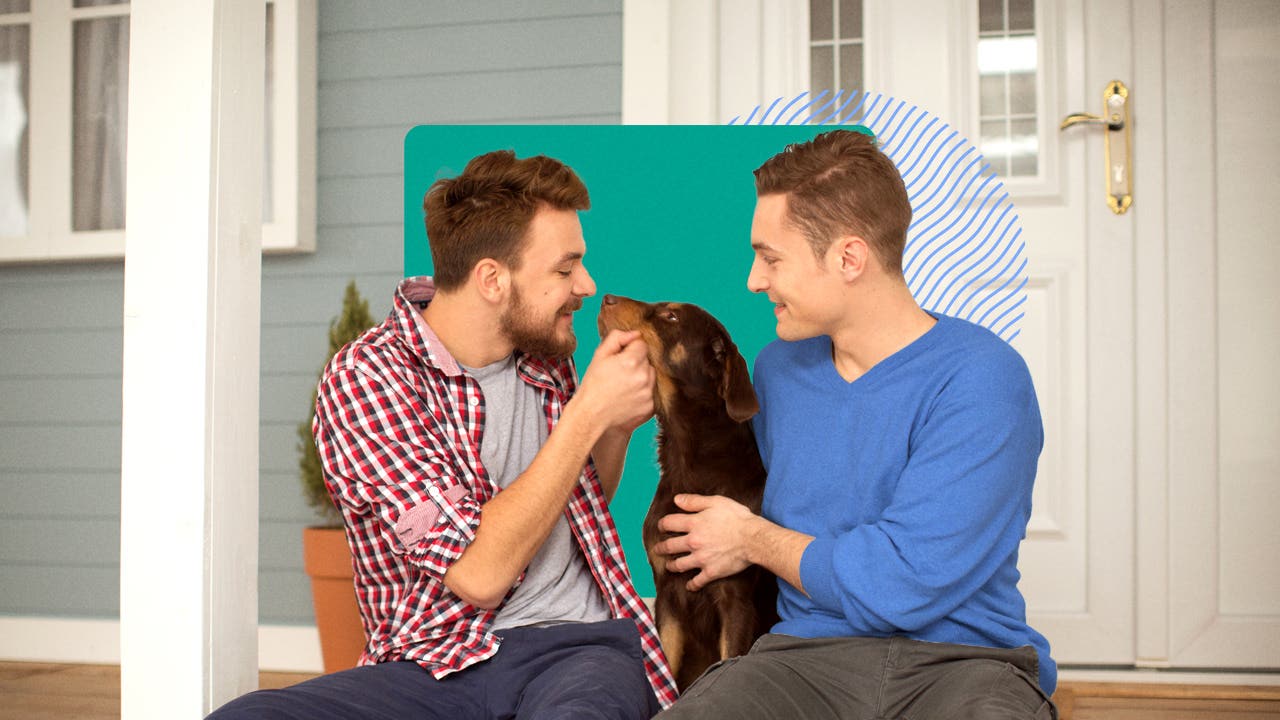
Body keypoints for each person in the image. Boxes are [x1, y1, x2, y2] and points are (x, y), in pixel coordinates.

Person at [207, 149, 678, 719]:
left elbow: (570, 506)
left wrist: (613, 427)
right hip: (431, 664)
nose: (586, 283)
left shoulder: (547, 357)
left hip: (575, 649)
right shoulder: (369, 380)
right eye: (564, 268)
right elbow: (479, 575)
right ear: (491, 279)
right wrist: (586, 417)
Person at [651, 130, 1057, 719]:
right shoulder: (778, 371)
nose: (753, 280)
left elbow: (904, 583)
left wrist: (754, 540)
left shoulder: (983, 378)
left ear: (848, 258)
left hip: (961, 665)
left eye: (770, 257)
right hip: (801, 662)